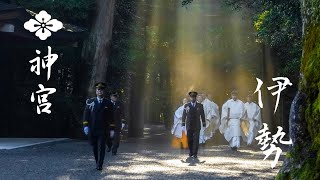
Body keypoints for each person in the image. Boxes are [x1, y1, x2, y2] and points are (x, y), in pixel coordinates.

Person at [83, 83, 114, 170]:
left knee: (102, 147)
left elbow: (111, 117)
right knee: (95, 147)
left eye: (101, 90)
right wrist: (85, 126)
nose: (99, 91)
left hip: (103, 130)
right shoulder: (90, 102)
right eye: (98, 90)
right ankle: (97, 162)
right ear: (96, 91)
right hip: (93, 129)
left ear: (104, 91)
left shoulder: (108, 103)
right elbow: (86, 115)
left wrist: (112, 129)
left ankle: (100, 164)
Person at [182, 91, 206, 158]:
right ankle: (191, 151)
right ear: (190, 98)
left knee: (196, 139)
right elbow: (184, 115)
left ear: (196, 98)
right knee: (189, 139)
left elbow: (202, 115)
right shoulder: (187, 106)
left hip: (197, 125)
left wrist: (204, 124)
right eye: (192, 97)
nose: (193, 98)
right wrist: (183, 124)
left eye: (194, 97)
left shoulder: (200, 105)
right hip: (189, 125)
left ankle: (195, 153)